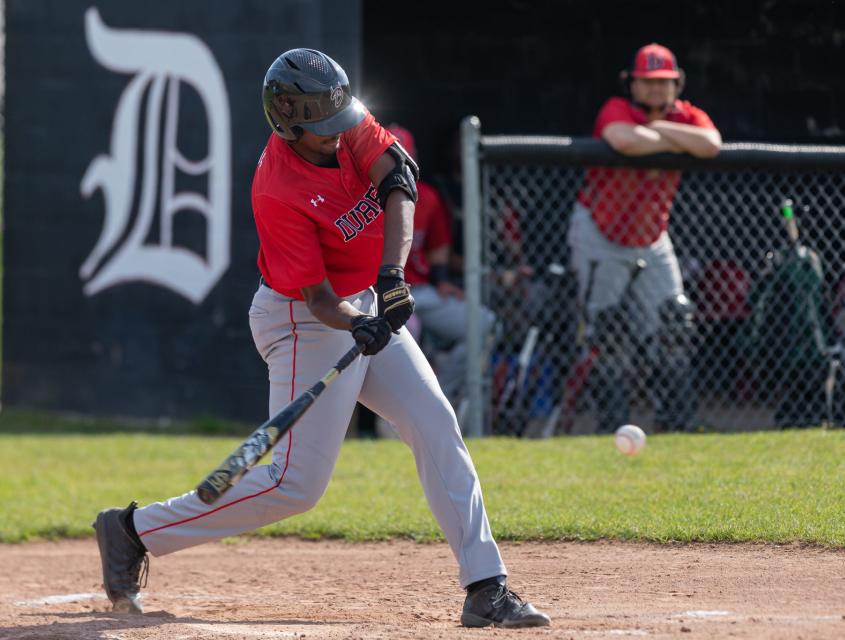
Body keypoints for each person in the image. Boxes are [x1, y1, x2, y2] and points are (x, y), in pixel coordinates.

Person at [91, 48, 550, 629]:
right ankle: (133, 530)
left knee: (434, 421)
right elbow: (316, 300)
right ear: (288, 121)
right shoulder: (276, 190)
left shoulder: (346, 122)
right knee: (293, 486)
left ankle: (486, 586)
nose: (339, 135)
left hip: (363, 295)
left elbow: (399, 182)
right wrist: (357, 322)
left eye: (340, 119)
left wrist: (391, 280)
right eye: (322, 127)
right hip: (302, 318)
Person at [567, 43, 721, 433]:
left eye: (664, 82)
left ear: (677, 84)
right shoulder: (616, 109)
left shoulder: (687, 114)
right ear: (632, 84)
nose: (655, 90)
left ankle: (677, 422)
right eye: (647, 82)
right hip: (600, 232)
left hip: (652, 237)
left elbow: (711, 145)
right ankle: (612, 422)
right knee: (607, 329)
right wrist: (676, 139)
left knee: (674, 321)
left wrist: (659, 130)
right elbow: (624, 140)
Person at [386, 124, 494, 409]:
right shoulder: (361, 199)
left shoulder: (428, 197)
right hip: (379, 294)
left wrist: (442, 280)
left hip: (420, 291)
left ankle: (436, 397)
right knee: (409, 327)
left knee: (483, 323)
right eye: (393, 157)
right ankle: (394, 413)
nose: (399, 165)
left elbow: (438, 253)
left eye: (405, 157)